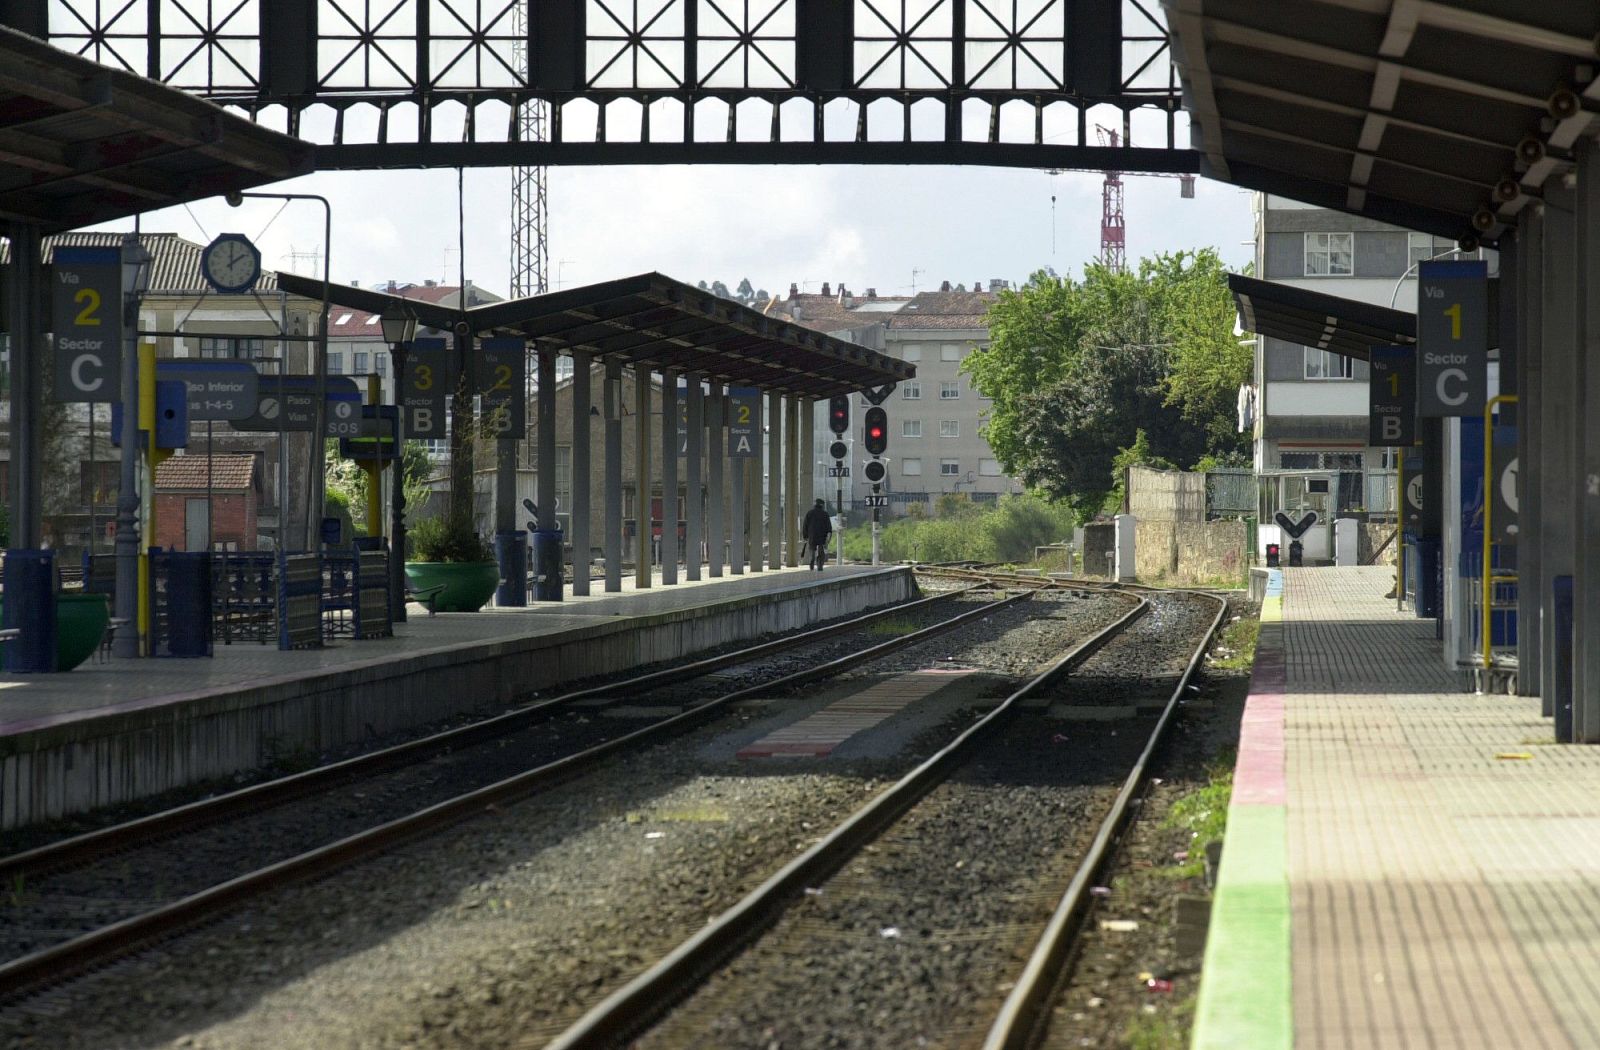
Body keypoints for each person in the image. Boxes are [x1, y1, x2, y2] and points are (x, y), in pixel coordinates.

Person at [801, 498, 833, 570]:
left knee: (812, 549)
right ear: (822, 505)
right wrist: (829, 537)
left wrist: (805, 535)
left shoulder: (810, 513)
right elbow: (829, 527)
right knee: (821, 550)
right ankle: (820, 565)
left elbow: (805, 525)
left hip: (812, 535)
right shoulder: (825, 514)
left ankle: (812, 560)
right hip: (822, 536)